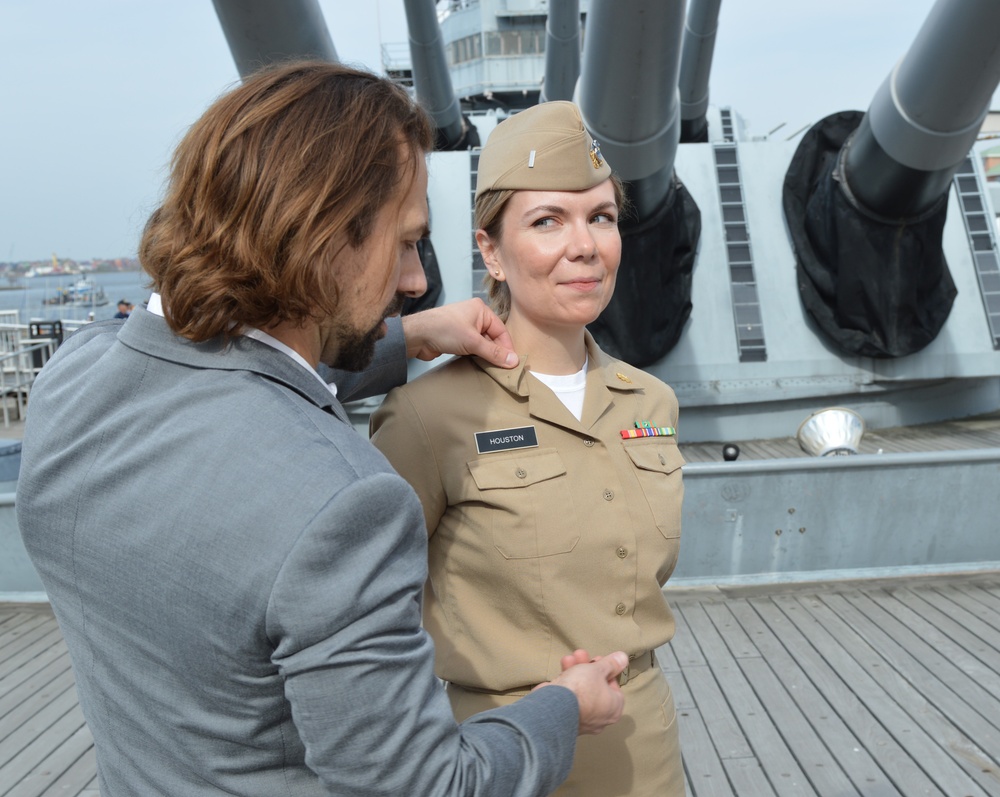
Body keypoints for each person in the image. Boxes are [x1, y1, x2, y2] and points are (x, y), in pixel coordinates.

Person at [16, 64, 630, 797]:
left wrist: (405, 338)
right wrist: (562, 706)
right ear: (322, 240)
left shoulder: (72, 379)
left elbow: (235, 383)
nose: (412, 281)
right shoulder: (342, 505)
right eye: (404, 243)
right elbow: (432, 786)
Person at [371, 101, 687, 797]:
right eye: (548, 221)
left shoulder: (651, 404)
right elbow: (369, 613)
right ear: (492, 252)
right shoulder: (428, 417)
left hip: (646, 751)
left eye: (600, 217)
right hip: (500, 757)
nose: (585, 246)